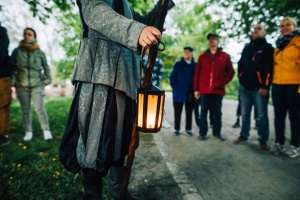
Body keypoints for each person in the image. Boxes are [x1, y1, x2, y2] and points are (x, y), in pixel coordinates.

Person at [59, 0, 175, 199]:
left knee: (121, 139)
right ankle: (92, 195)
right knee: (94, 142)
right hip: (98, 77)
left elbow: (145, 21)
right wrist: (137, 31)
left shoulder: (126, 6)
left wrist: (163, 5)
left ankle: (118, 193)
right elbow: (95, 12)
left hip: (126, 81)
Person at [233, 24, 274, 150]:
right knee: (245, 114)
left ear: (265, 32)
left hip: (259, 88)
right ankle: (244, 135)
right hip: (244, 87)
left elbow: (269, 69)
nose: (256, 30)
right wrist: (241, 78)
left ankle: (263, 139)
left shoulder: (267, 48)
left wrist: (265, 86)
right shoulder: (247, 48)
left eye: (259, 29)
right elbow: (240, 64)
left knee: (261, 115)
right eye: (254, 29)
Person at [11, 28, 52, 141]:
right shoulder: (17, 51)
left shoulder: (40, 52)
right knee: (25, 110)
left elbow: (46, 67)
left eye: (30, 34)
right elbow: (12, 68)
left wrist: (47, 80)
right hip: (21, 85)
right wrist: (14, 81)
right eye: (25, 34)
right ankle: (28, 131)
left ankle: (46, 130)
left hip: (37, 85)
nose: (26, 36)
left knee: (39, 108)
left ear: (34, 37)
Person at [194, 33, 234, 141]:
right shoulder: (202, 57)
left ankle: (217, 133)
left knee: (217, 113)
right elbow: (197, 73)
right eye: (209, 39)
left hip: (218, 91)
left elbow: (230, 72)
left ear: (218, 41)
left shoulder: (225, 56)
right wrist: (196, 89)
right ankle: (202, 133)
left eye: (213, 39)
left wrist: (222, 82)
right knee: (203, 113)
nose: (211, 41)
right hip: (204, 90)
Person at [271, 17, 300, 158]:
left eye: (288, 25)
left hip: (294, 85)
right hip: (278, 85)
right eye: (282, 25)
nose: (284, 27)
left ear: (295, 26)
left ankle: (295, 145)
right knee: (279, 116)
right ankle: (279, 143)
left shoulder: (298, 42)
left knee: (295, 116)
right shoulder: (278, 46)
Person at [170, 46, 196, 136]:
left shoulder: (195, 65)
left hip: (190, 93)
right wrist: (175, 87)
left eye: (188, 51)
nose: (186, 53)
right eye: (185, 51)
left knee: (189, 112)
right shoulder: (178, 64)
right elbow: (172, 77)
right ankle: (176, 129)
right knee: (177, 112)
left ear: (192, 54)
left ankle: (188, 129)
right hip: (178, 93)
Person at [142, 48, 171, 128]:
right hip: (142, 85)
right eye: (148, 48)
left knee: (158, 103)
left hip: (155, 85)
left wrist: (156, 78)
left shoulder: (157, 59)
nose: (149, 50)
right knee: (142, 103)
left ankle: (162, 120)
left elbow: (161, 72)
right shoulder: (141, 58)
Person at [0, 24, 12, 147]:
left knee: (3, 104)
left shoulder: (1, 31)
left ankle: (3, 134)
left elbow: (2, 51)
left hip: (2, 74)